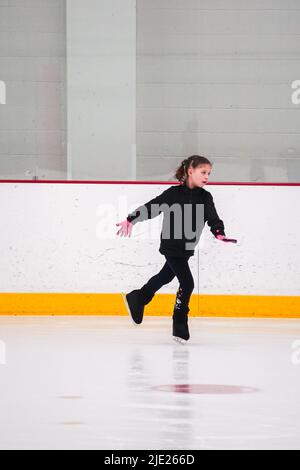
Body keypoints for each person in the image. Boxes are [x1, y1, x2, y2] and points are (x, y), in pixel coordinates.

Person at [116, 155, 237, 343]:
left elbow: (213, 218)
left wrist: (219, 233)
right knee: (188, 284)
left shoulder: (205, 197)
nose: (207, 177)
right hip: (171, 245)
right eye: (203, 172)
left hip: (187, 247)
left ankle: (138, 298)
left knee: (166, 276)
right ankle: (179, 322)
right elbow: (151, 207)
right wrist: (131, 218)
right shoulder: (173, 194)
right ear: (190, 171)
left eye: (209, 173)